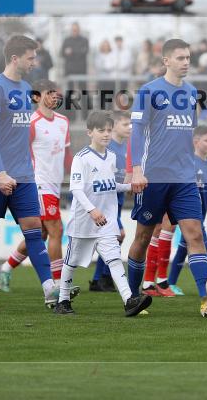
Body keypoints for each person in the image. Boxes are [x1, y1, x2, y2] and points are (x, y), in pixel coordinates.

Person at [127, 38, 207, 317]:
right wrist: (136, 169)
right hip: (153, 178)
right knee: (143, 238)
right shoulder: (149, 91)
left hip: (184, 179)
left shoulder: (193, 93)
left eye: (188, 58)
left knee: (195, 235)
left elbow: (188, 135)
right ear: (166, 61)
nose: (186, 62)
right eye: (181, 58)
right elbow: (136, 132)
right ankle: (133, 296)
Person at [0, 35, 59, 307]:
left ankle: (49, 290)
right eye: (31, 57)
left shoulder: (26, 89)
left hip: (24, 176)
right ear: (14, 58)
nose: (35, 62)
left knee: (34, 228)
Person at [52, 111, 151, 317]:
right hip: (84, 222)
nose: (106, 134)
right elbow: (76, 189)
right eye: (101, 130)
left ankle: (129, 300)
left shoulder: (112, 156)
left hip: (106, 221)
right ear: (90, 132)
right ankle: (62, 301)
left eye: (108, 130)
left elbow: (109, 185)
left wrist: (129, 187)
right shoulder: (82, 158)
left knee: (114, 259)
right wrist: (92, 210)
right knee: (71, 262)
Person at [0, 80, 73, 293]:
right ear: (37, 97)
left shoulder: (63, 121)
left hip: (55, 185)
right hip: (38, 183)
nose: (55, 97)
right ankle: (58, 284)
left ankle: (5, 267)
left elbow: (66, 155)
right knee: (56, 229)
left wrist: (74, 175)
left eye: (56, 93)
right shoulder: (30, 122)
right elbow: (18, 152)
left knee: (40, 235)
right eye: (50, 93)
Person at [167, 125, 207, 295]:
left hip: (200, 217)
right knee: (206, 246)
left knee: (183, 248)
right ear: (196, 142)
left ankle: (170, 283)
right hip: (189, 216)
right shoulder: (189, 162)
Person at [89, 110, 131, 292]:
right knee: (116, 235)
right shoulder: (107, 147)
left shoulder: (127, 147)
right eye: (125, 124)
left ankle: (99, 279)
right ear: (113, 128)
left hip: (118, 201)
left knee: (110, 238)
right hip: (104, 202)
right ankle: (103, 277)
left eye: (130, 124)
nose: (129, 128)